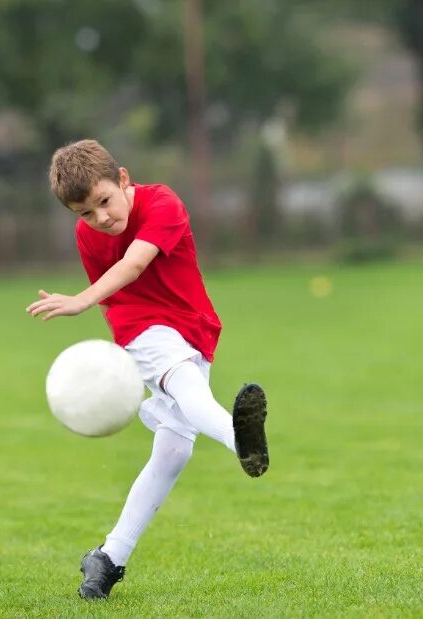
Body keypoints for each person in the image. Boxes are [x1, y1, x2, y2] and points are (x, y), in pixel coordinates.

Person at [27, 139, 270, 600]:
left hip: (191, 324)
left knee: (173, 453)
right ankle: (241, 440)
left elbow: (137, 262)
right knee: (184, 383)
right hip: (140, 327)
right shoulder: (89, 236)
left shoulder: (162, 202)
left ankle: (108, 557)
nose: (100, 219)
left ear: (122, 180)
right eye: (85, 214)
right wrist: (94, 305)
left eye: (104, 202)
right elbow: (123, 290)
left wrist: (81, 299)